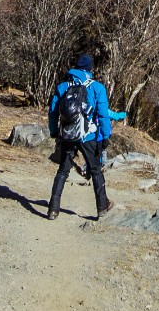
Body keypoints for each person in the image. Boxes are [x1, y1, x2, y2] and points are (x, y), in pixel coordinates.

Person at [46, 54, 126, 221]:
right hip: (88, 135)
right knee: (96, 170)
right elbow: (103, 115)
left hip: (68, 135)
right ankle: (102, 207)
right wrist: (105, 136)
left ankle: (53, 209)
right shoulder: (97, 87)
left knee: (63, 171)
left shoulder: (63, 87)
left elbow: (53, 111)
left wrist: (54, 131)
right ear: (90, 69)